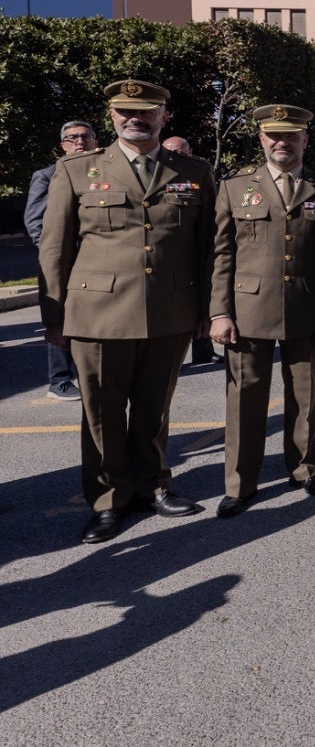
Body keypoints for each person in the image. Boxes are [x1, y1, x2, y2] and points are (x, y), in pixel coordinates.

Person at [38, 79, 215, 544]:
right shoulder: (77, 170)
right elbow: (55, 247)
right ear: (111, 115)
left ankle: (155, 486)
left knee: (155, 409)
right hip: (97, 312)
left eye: (146, 111)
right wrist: (53, 317)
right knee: (102, 412)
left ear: (163, 116)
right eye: (124, 111)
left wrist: (206, 310)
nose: (134, 118)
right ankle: (106, 501)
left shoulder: (194, 170)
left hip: (170, 311)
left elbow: (207, 249)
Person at [208, 104, 315, 516]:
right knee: (245, 399)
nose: (282, 142)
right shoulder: (235, 187)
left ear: (305, 140)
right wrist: (219, 312)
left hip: (307, 306)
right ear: (262, 139)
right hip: (247, 309)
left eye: (291, 136)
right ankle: (240, 483)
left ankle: (305, 469)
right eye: (274, 135)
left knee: (304, 397)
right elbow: (221, 254)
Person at [25, 120, 97, 401]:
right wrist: (56, 254)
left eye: (85, 136)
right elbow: (35, 222)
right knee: (62, 317)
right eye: (72, 138)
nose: (79, 141)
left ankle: (86, 372)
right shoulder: (46, 175)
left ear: (94, 140)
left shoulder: (98, 173)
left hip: (94, 261)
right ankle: (60, 380)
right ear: (62, 144)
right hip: (65, 261)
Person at [164, 135, 218, 366]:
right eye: (170, 151)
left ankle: (203, 350)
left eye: (180, 151)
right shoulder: (157, 173)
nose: (175, 155)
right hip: (167, 261)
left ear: (190, 151)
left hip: (195, 255)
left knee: (200, 305)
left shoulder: (198, 172)